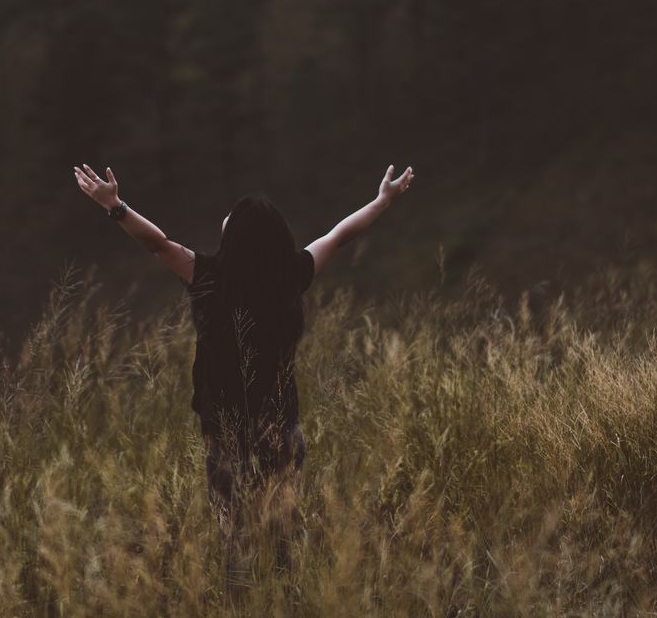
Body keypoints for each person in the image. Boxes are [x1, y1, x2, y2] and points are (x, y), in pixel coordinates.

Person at [72, 162, 414, 596]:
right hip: (281, 425)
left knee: (234, 538)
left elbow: (157, 244)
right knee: (281, 534)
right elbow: (341, 234)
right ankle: (285, 599)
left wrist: (114, 206)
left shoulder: (208, 276)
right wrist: (383, 200)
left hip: (224, 429)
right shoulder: (292, 275)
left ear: (233, 235)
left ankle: (241, 603)